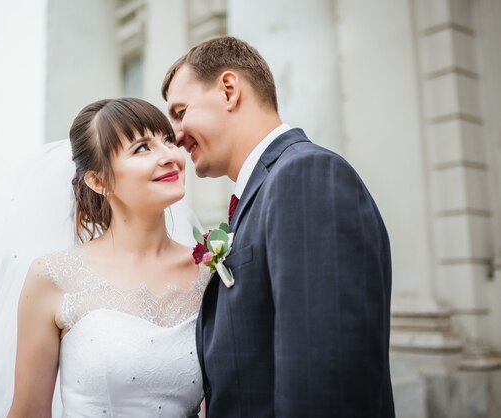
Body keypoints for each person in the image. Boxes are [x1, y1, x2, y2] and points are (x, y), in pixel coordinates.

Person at [0, 98, 207, 417]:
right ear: (99, 180)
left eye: (168, 140)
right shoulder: (53, 277)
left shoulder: (209, 271)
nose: (169, 156)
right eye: (143, 148)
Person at [162, 36, 395, 417]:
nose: (175, 134)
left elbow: (325, 382)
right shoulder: (266, 190)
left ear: (228, 90)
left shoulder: (306, 176)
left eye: (181, 111)